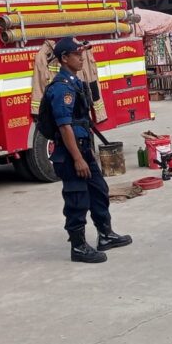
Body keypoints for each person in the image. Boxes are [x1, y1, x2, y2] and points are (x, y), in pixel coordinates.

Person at [46, 38, 132, 264]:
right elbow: (64, 126)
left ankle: (105, 235)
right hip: (70, 153)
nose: (81, 57)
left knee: (99, 190)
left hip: (83, 150)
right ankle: (79, 247)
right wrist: (77, 159)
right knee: (77, 198)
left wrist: (87, 154)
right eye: (77, 54)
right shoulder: (61, 87)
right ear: (64, 58)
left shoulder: (74, 82)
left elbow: (81, 122)